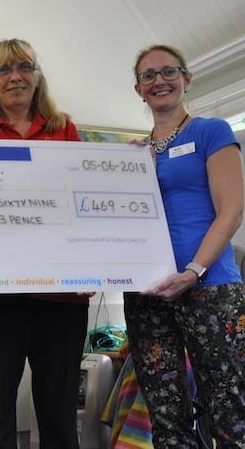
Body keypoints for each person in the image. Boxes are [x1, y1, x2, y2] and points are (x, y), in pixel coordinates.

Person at [0, 39, 89, 449]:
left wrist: (92, 265)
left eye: (24, 67)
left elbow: (80, 202)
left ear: (37, 75)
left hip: (61, 296)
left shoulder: (64, 128)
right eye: (4, 70)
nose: (15, 77)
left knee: (59, 412)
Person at [124, 44, 245, 447]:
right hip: (148, 292)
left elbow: (231, 212)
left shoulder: (211, 131)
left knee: (230, 407)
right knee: (165, 412)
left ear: (186, 78)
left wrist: (194, 270)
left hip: (209, 286)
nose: (159, 80)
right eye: (148, 75)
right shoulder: (133, 154)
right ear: (138, 89)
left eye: (168, 71)